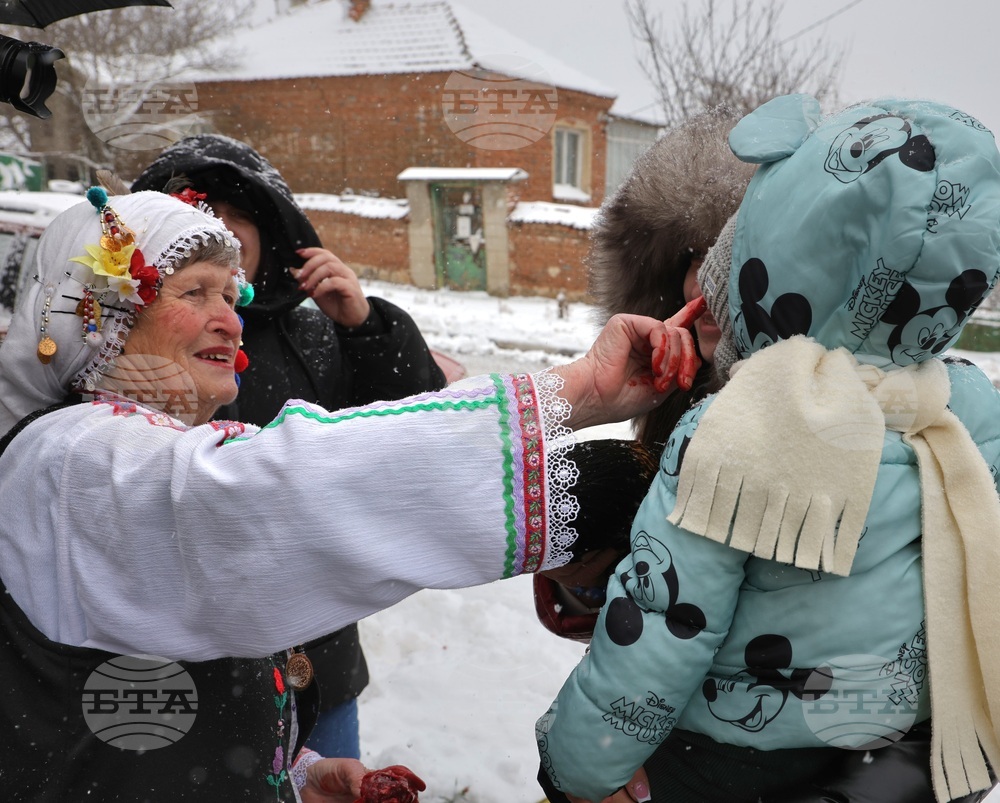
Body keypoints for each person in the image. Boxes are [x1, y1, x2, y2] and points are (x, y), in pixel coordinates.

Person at [0, 186, 700, 800]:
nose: (231, 319)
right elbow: (274, 493)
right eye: (194, 292)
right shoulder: (68, 459)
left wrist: (293, 773)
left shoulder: (116, 451)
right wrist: (574, 391)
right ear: (99, 312)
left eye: (232, 296)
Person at [535, 93, 1000, 803]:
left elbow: (666, 622)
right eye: (692, 262)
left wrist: (579, 763)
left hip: (734, 758)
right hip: (909, 748)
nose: (707, 286)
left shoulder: (734, 425)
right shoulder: (961, 410)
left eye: (723, 255)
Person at [131, 134, 448, 761]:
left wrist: (364, 327)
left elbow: (418, 437)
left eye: (237, 212)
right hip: (169, 655)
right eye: (199, 209)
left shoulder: (317, 333)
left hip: (313, 656)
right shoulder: (119, 336)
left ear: (271, 232)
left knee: (328, 787)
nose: (218, 226)